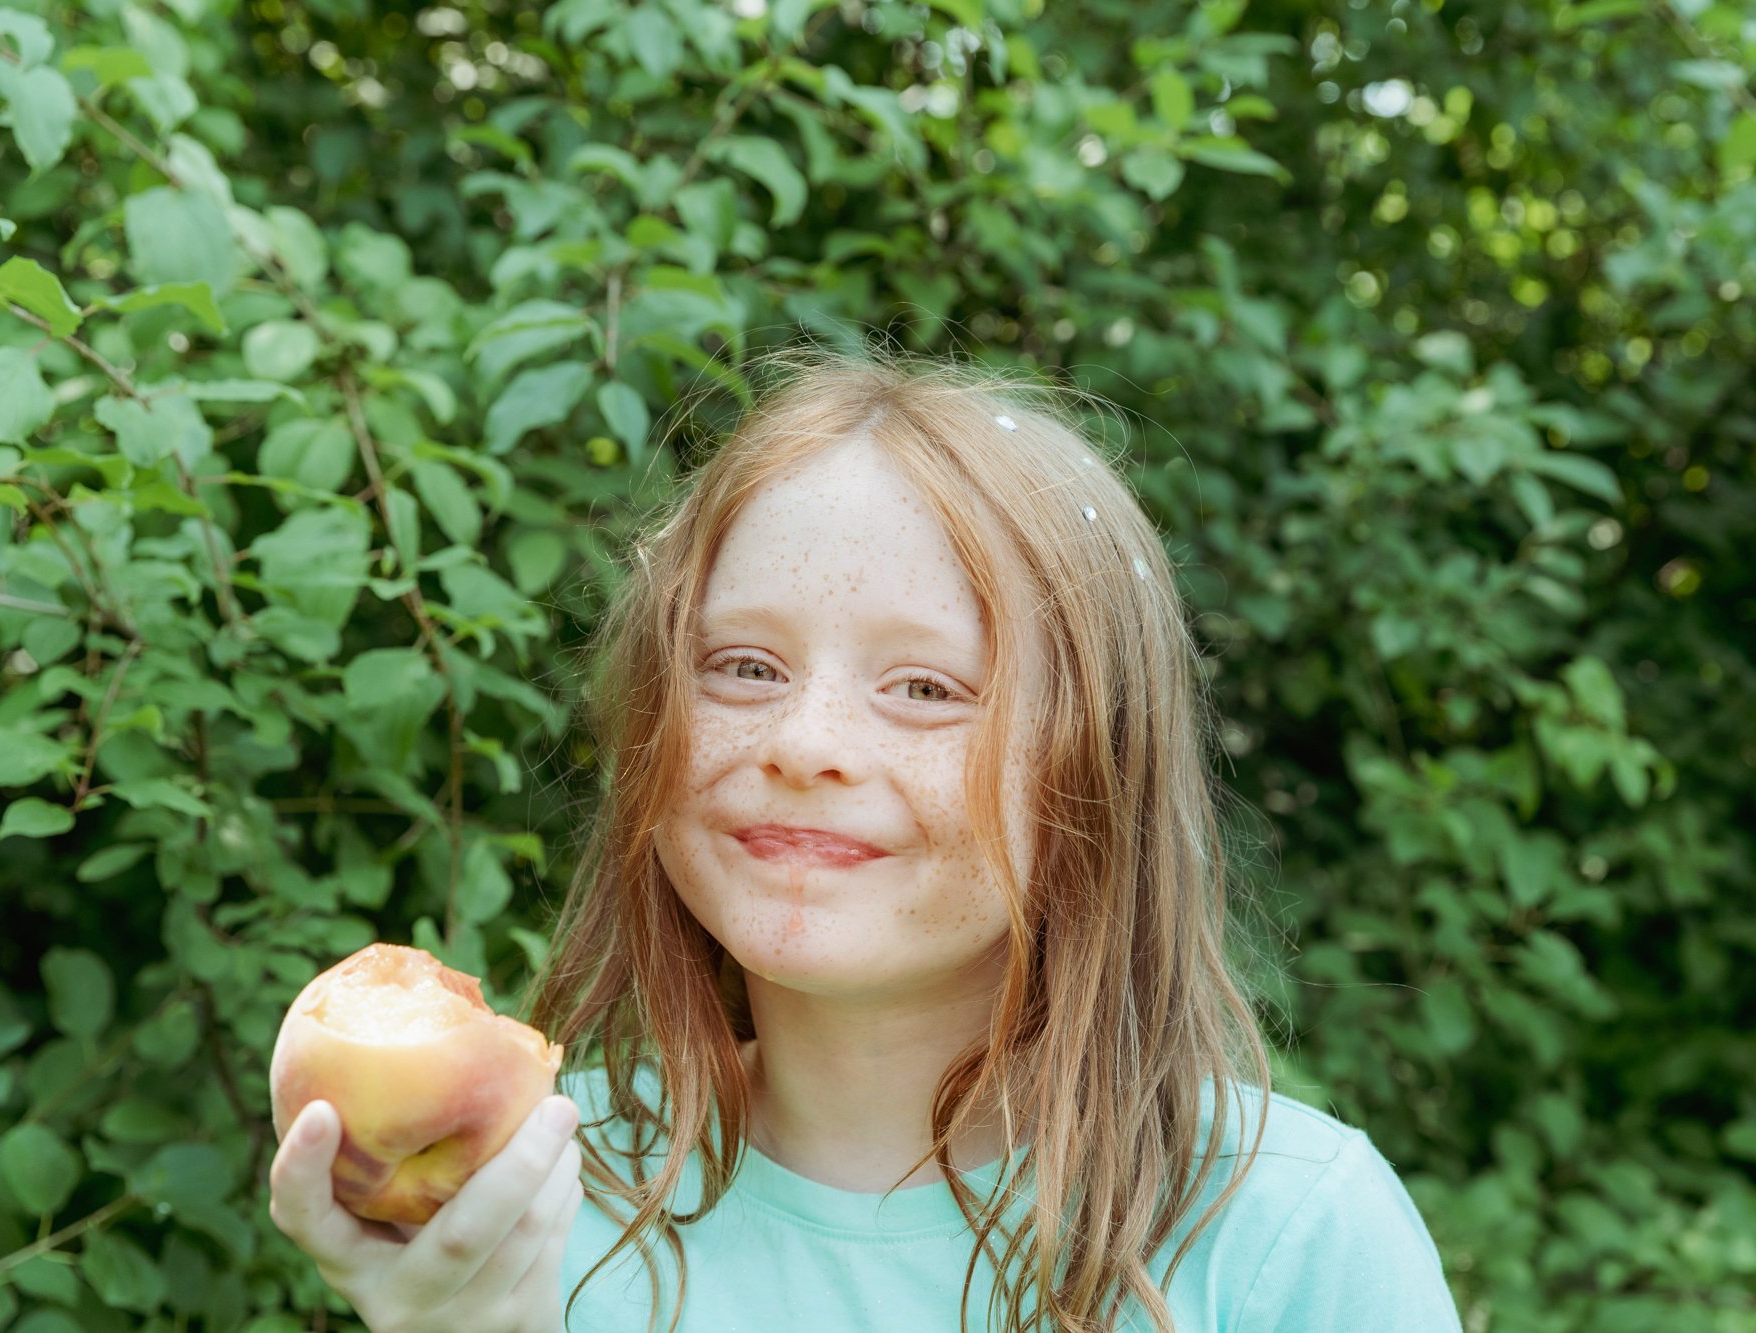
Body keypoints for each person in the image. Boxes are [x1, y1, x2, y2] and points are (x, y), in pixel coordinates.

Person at [268, 348, 1465, 1333]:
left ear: (1098, 767)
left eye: (928, 687)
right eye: (743, 666)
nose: (805, 740)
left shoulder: (1283, 1238)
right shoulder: (522, 1200)